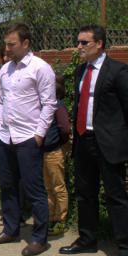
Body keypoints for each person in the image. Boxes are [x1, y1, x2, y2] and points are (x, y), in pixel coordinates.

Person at [60, 25, 128, 256]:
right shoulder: (80, 71)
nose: (79, 47)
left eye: (84, 42)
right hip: (84, 140)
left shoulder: (117, 70)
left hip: (109, 142)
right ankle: (87, 238)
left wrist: (116, 133)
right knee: (85, 192)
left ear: (100, 44)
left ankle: (127, 249)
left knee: (115, 195)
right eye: (78, 42)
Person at [0, 24, 56, 256]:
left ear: (25, 44)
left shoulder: (41, 68)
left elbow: (49, 104)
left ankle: (39, 237)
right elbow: (2, 100)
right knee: (8, 186)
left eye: (11, 44)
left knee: (34, 189)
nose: (7, 48)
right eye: (6, 44)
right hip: (6, 136)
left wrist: (38, 135)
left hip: (28, 138)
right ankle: (11, 229)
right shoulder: (5, 70)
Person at [42, 73, 71, 235]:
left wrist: (59, 143)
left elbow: (65, 128)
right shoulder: (47, 104)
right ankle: (51, 217)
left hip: (54, 151)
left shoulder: (58, 106)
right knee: (48, 187)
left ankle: (61, 219)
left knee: (58, 186)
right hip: (45, 151)